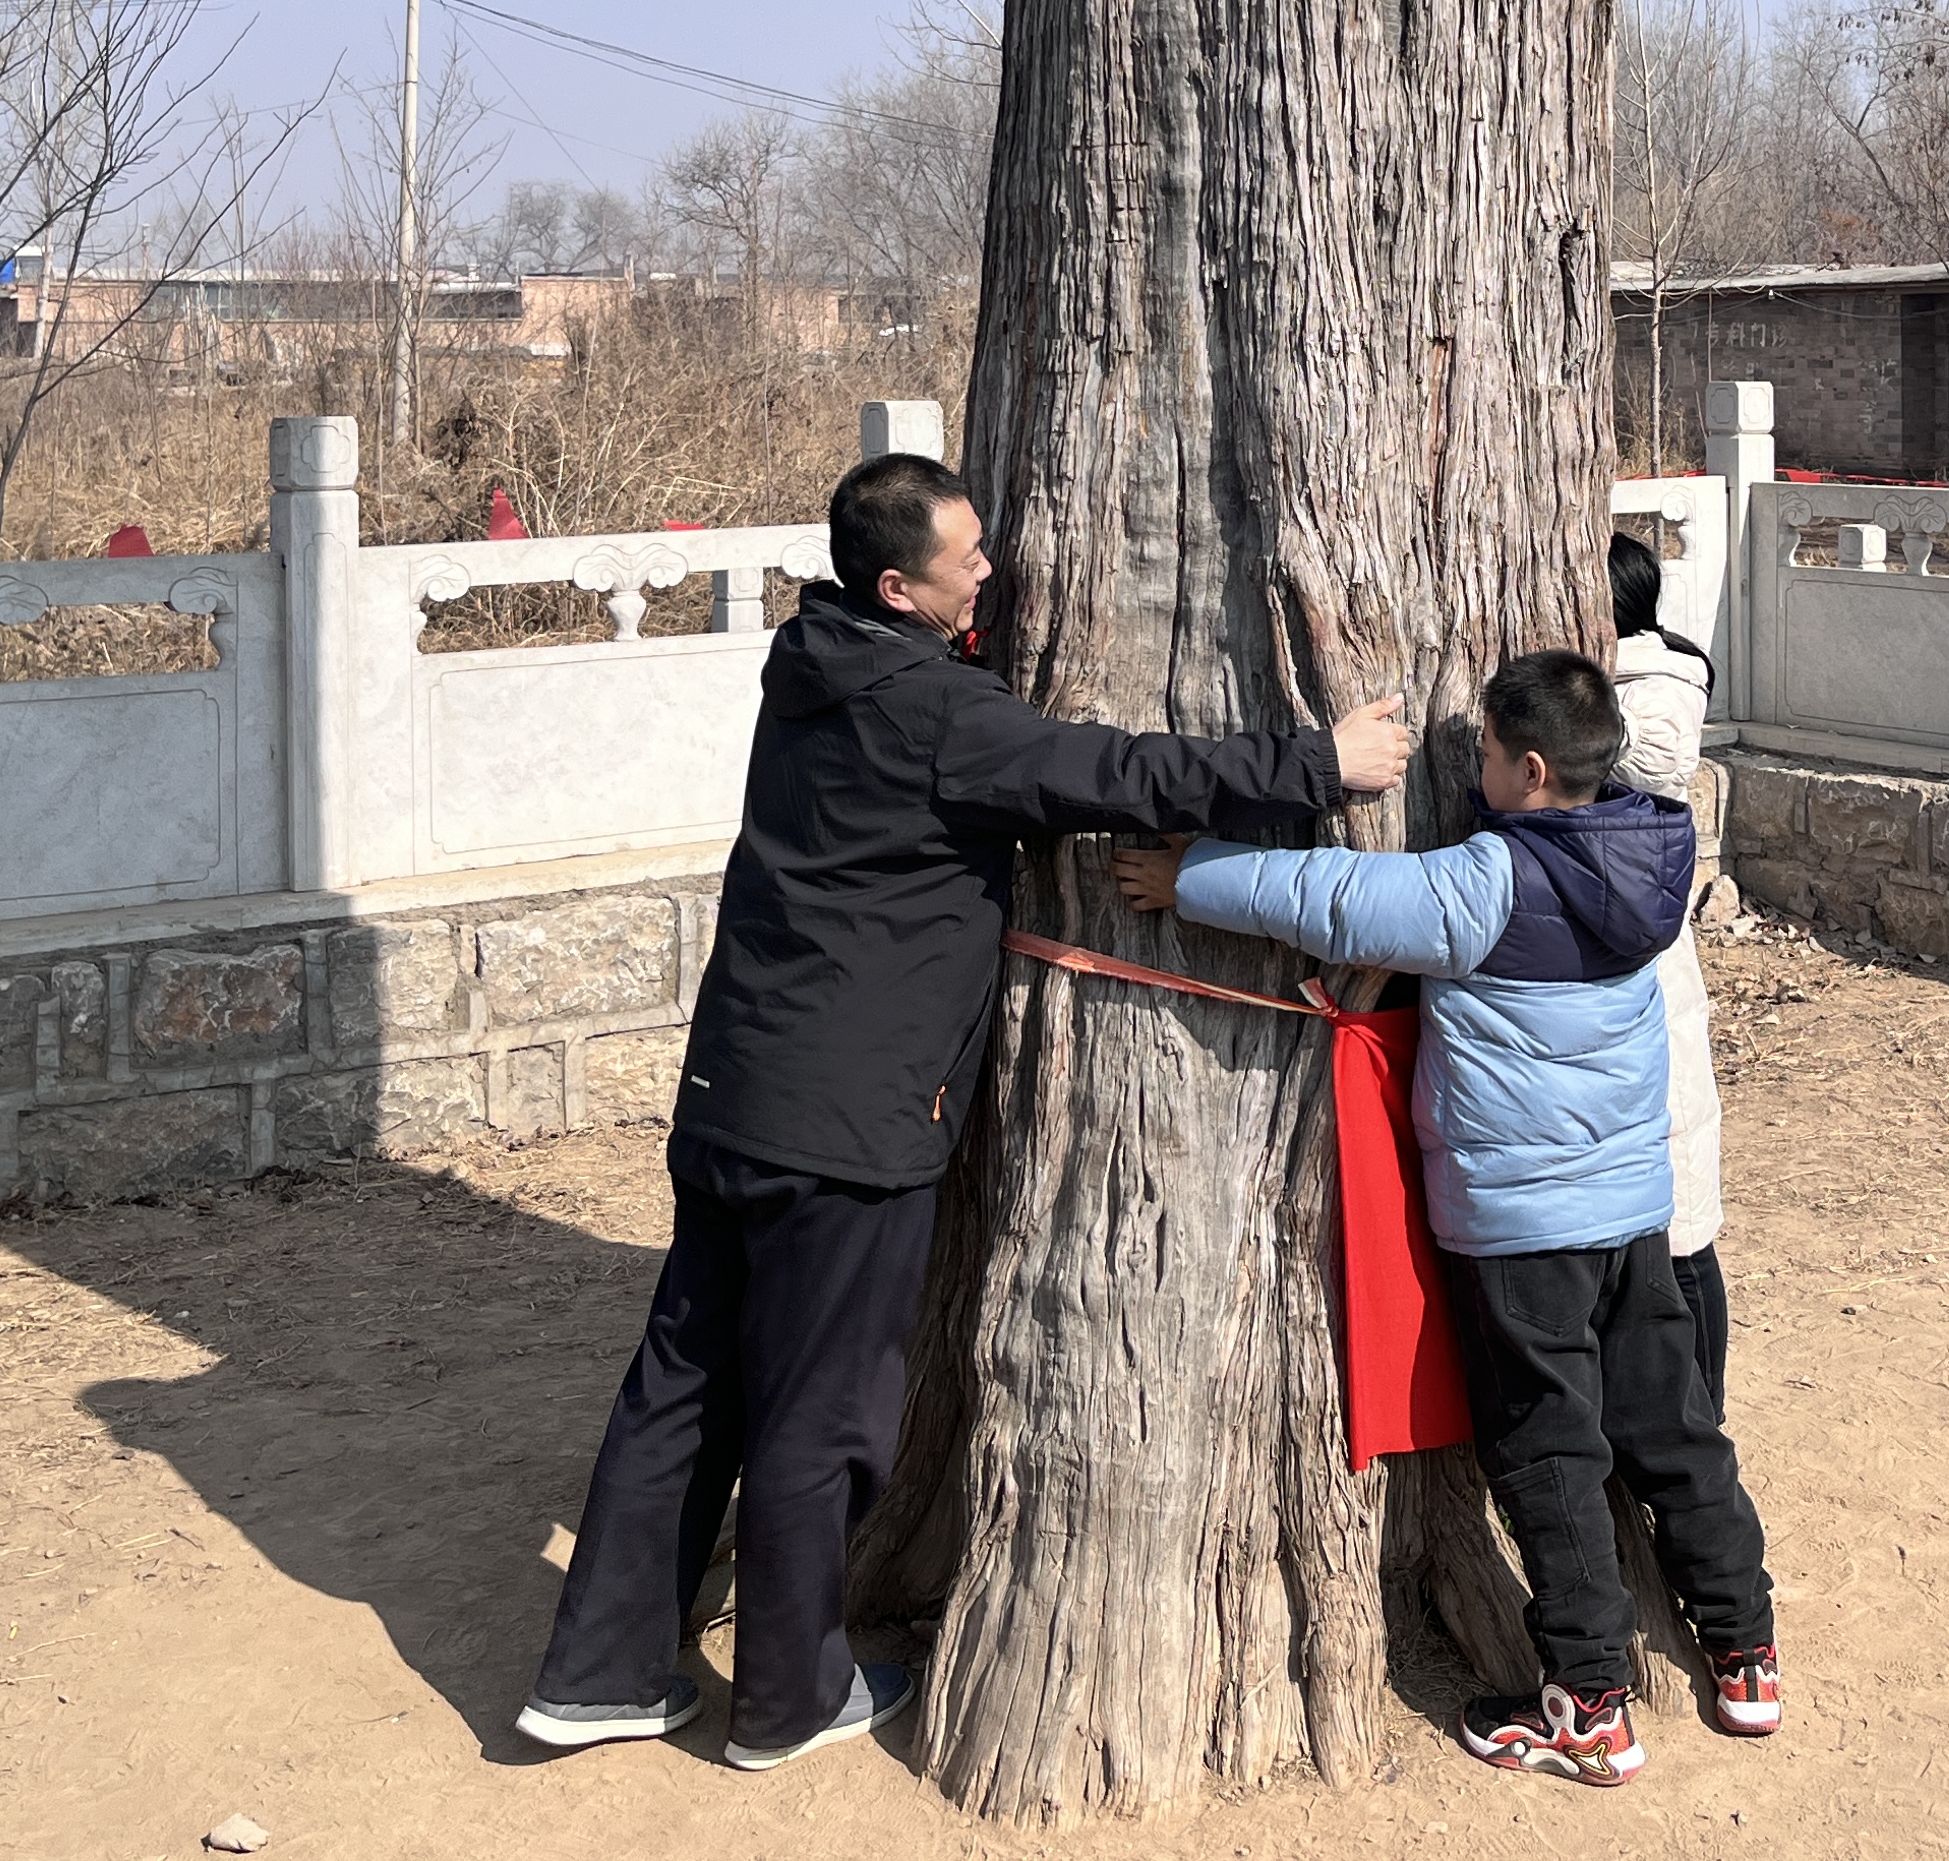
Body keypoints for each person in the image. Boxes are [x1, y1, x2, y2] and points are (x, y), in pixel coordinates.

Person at [520, 450, 1414, 1770]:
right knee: (823, 1408)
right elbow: (1117, 773)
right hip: (847, 1122)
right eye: (967, 558)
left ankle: (600, 1672)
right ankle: (787, 1699)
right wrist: (1316, 762)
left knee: (685, 1382)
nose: (992, 569)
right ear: (898, 586)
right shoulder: (936, 712)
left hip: (733, 1095)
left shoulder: (811, 663)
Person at [1117, 651, 1779, 1789]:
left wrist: (1192, 877)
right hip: (1633, 1210)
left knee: (1549, 1451)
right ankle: (1744, 1649)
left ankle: (1590, 1706)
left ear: (1531, 770)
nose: (1472, 772)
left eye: (1484, 754)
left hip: (1524, 1228)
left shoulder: (1491, 882)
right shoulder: (1651, 855)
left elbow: (1333, 898)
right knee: (1672, 1427)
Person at [1606, 531, 1729, 1411]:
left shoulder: (1660, 684)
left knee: (1682, 1223)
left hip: (1654, 977)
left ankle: (1705, 1411)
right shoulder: (1625, 679)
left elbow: (1657, 761)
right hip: (1596, 984)